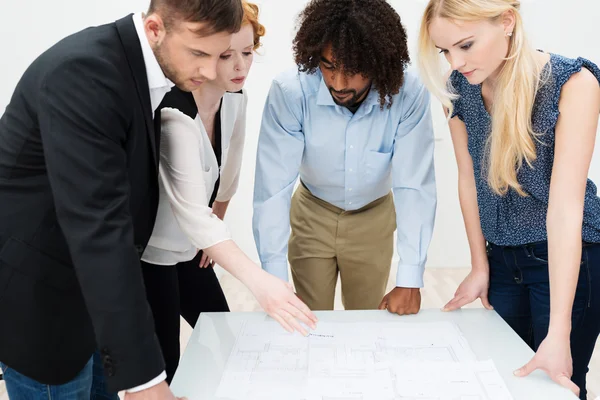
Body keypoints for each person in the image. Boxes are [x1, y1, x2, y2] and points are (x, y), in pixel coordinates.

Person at [0, 0, 243, 399]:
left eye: (218, 55)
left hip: (96, 300)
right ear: (154, 30)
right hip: (42, 299)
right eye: (198, 53)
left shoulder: (141, 69)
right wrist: (146, 382)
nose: (209, 71)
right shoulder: (84, 73)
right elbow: (99, 226)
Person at [417, 0, 600, 398]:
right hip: (502, 260)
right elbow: (468, 180)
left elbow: (565, 209)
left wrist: (559, 331)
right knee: (501, 384)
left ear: (507, 22)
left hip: (569, 259)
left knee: (558, 386)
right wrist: (480, 264)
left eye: (465, 45)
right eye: (444, 51)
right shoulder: (459, 87)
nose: (455, 61)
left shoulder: (573, 83)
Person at [141, 1, 317, 384]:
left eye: (248, 53)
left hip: (194, 245)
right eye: (226, 55)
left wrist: (216, 228)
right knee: (167, 361)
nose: (239, 66)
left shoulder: (235, 97)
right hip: (155, 252)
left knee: (224, 336)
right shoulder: (175, 113)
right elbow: (190, 211)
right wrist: (258, 279)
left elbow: (229, 173)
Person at [253, 0, 437, 314]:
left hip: (374, 217)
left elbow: (414, 186)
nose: (339, 84)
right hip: (311, 212)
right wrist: (272, 277)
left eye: (353, 71)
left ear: (379, 64)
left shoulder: (408, 93)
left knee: (365, 322)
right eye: (328, 66)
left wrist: (410, 278)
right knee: (307, 319)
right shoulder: (291, 91)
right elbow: (273, 188)